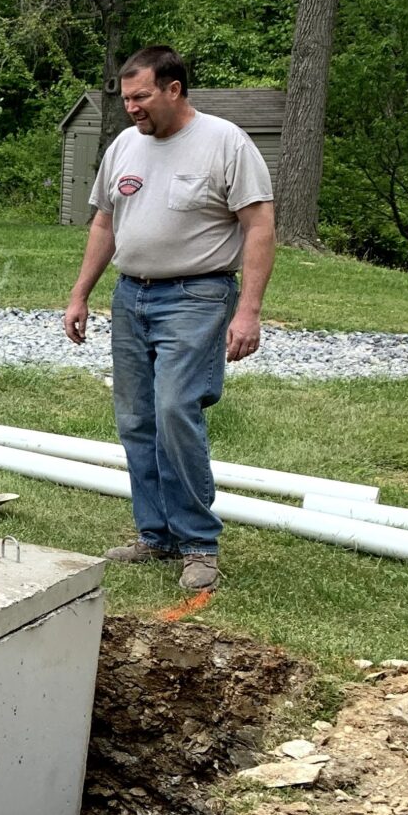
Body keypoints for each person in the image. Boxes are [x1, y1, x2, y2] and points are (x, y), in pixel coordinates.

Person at [63, 47, 276, 592]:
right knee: (136, 418)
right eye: (127, 97)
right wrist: (80, 294)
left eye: (141, 96)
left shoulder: (224, 142)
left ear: (173, 89)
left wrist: (248, 311)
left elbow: (258, 227)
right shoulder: (124, 147)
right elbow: (104, 225)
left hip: (197, 294)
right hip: (131, 296)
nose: (131, 107)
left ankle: (198, 543)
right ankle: (155, 535)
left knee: (175, 409)